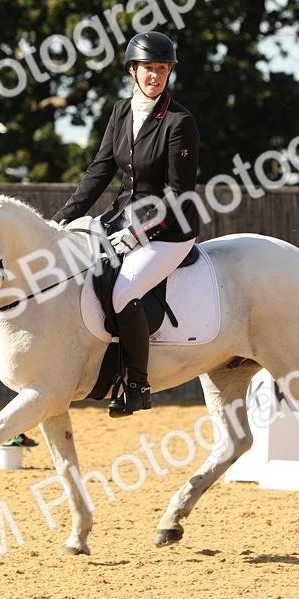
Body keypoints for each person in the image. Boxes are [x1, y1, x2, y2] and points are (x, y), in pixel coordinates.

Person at [52, 30, 202, 417]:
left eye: (162, 69)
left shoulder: (179, 121)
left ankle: (138, 385)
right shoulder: (120, 111)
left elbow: (178, 192)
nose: (155, 75)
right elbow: (100, 170)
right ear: (132, 71)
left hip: (169, 229)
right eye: (148, 68)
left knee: (122, 293)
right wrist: (63, 219)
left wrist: (139, 234)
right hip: (120, 216)